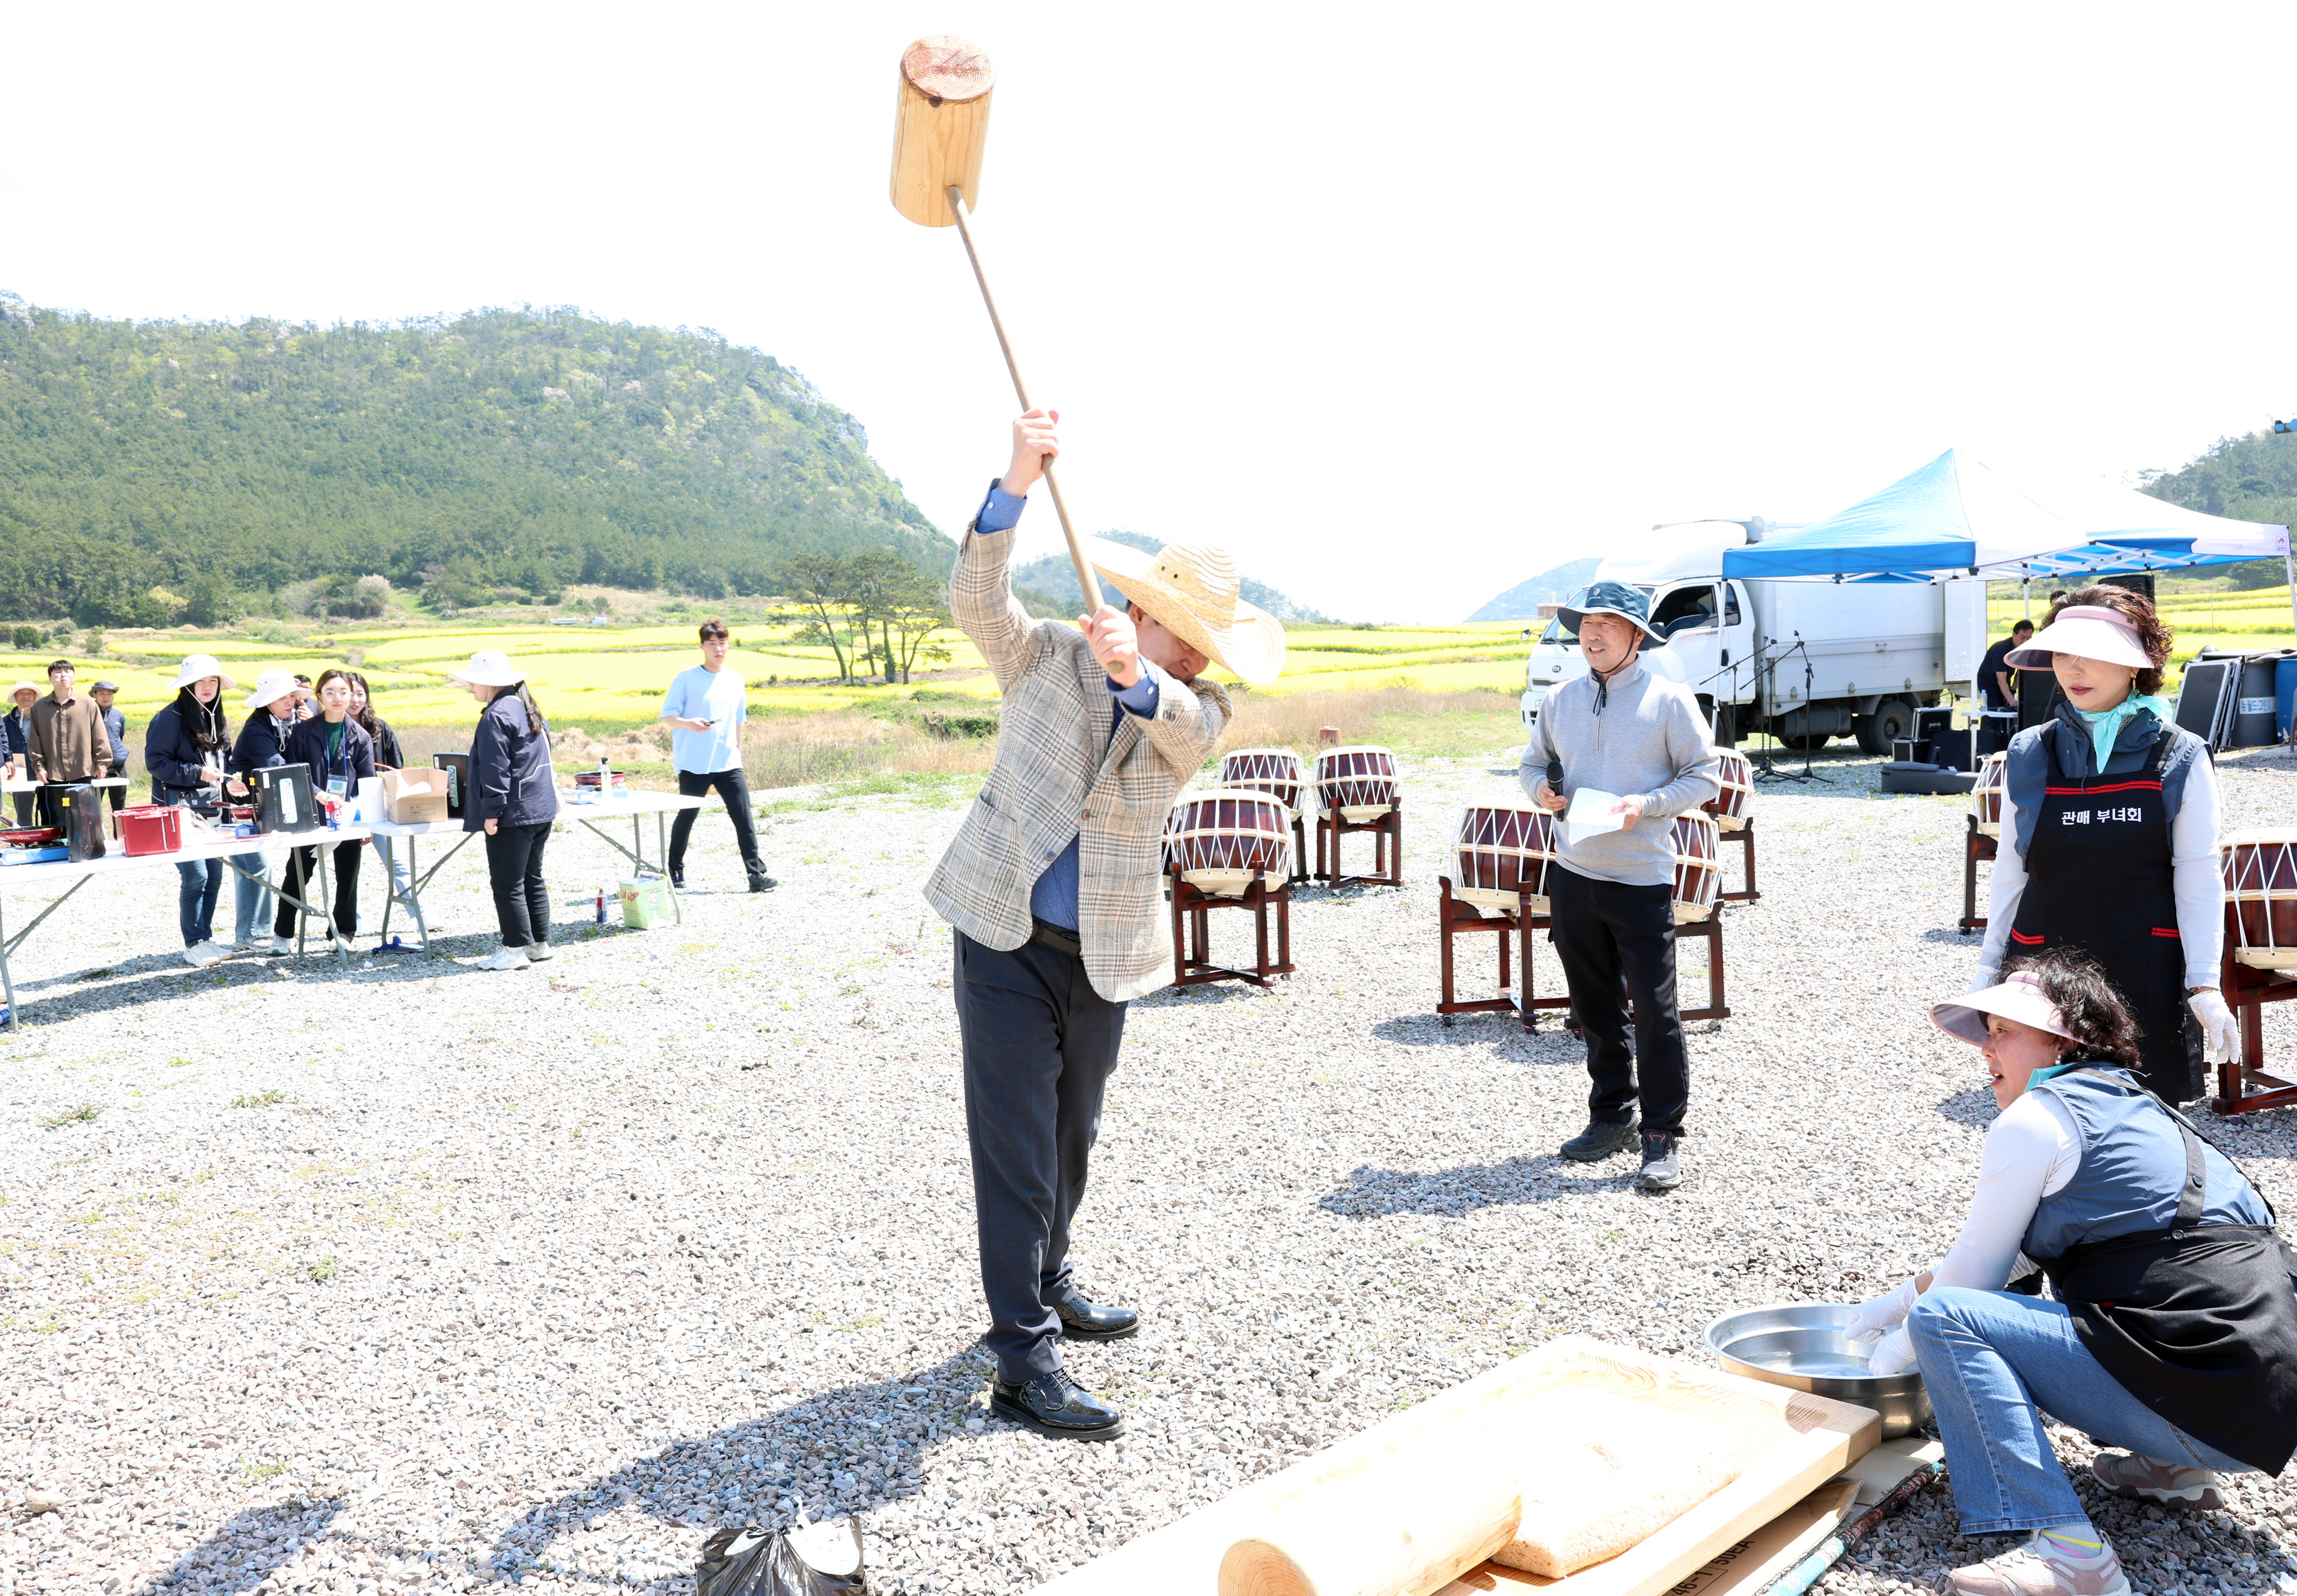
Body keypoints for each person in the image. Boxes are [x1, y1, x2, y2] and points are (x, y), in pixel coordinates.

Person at [923, 407, 1285, 1441]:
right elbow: (973, 599)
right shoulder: (1041, 655)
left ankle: (1053, 1275)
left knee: (1072, 1136)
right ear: (1143, 606)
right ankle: (1022, 1359)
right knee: (1017, 1151)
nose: (1208, 663)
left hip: (1105, 951)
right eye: (1196, 640)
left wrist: (1140, 674)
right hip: (1001, 932)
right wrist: (1014, 485)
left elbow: (1170, 724)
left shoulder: (1200, 709)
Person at [1847, 951, 2295, 1596]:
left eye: (2005, 1032)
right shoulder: (2138, 1108)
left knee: (1945, 1319)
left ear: (2062, 1041)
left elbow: (1968, 1286)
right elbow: (2012, 1260)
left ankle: (2068, 1549)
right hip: (2266, 1403)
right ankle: (2170, 1469)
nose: (1986, 1050)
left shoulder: (2035, 1118)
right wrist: (1884, 1305)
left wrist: (1878, 1364)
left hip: (2207, 1404)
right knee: (2067, 1305)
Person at [1977, 586, 2237, 1103]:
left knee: (2140, 1123)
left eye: (2093, 654)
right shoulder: (2030, 750)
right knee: (2045, 1115)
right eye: (2062, 652)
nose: (2073, 669)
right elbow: (2012, 869)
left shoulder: (2180, 756)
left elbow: (2198, 872)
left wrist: (2205, 985)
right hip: (2041, 969)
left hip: (2141, 967)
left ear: (2137, 664)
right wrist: (1987, 971)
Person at [1521, 581, 1721, 1193]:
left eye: (1609, 623)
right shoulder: (1559, 699)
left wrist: (1651, 804)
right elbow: (1531, 764)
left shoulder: (1668, 701)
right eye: (1586, 623)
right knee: (1594, 1009)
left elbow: (1705, 778)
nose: (1592, 633)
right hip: (1574, 875)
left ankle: (1662, 1134)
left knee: (1657, 1013)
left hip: (1640, 879)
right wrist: (1540, 792)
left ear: (1637, 635)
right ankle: (1611, 1115)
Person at [451, 651, 558, 970]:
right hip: (541, 808)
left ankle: (513, 950)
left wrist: (492, 813)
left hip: (513, 813)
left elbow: (496, 770)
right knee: (531, 877)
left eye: (473, 681)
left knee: (507, 882)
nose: (470, 686)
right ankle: (539, 945)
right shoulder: (526, 707)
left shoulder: (496, 714)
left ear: (487, 682)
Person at [144, 655, 247, 967]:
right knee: (195, 876)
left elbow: (218, 763)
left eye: (213, 681)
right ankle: (193, 944)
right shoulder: (169, 718)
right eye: (201, 682)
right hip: (177, 810)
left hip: (209, 810)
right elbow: (157, 763)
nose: (208, 687)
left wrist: (229, 783)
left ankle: (205, 938)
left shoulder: (213, 716)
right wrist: (197, 774)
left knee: (214, 875)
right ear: (187, 685)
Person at [659, 619, 773, 893]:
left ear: (728, 644)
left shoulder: (736, 680)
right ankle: (674, 870)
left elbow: (740, 718)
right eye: (712, 643)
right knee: (687, 818)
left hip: (728, 763)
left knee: (744, 818)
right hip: (694, 765)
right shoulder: (686, 679)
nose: (718, 648)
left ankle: (756, 874)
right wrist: (690, 724)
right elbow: (667, 717)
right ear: (702, 646)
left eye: (722, 642)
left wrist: (738, 750)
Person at [272, 672, 373, 954]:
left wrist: (366, 822)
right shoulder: (304, 732)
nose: (338, 698)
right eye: (330, 692)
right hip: (310, 814)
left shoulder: (361, 736)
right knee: (297, 873)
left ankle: (342, 933)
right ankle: (283, 934)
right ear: (319, 697)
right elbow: (293, 772)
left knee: (348, 874)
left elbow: (367, 782)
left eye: (344, 692)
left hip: (347, 817)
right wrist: (320, 793)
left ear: (352, 696)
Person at [229, 670, 308, 949]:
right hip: (244, 807)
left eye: (292, 696)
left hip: (269, 804)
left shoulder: (284, 721)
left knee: (259, 866)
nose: (291, 701)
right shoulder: (256, 729)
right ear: (267, 701)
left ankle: (256, 930)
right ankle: (251, 933)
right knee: (255, 866)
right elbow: (278, 768)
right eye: (283, 697)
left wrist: (304, 729)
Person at [345, 670, 414, 939]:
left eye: (360, 694)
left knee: (396, 861)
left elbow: (396, 767)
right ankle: (354, 919)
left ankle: (417, 909)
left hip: (381, 805)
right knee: (349, 867)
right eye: (349, 693)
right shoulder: (328, 730)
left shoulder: (379, 728)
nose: (355, 700)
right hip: (346, 807)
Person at [26, 659, 112, 827]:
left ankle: (86, 852)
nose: (63, 675)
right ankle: (58, 852)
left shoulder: (88, 705)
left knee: (84, 819)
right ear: (50, 678)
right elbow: (34, 741)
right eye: (58, 672)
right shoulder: (40, 707)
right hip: (52, 774)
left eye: (67, 671)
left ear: (74, 677)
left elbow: (100, 736)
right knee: (56, 820)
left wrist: (102, 764)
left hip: (83, 771)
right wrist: (39, 767)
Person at [91, 680, 130, 814]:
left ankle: (119, 835)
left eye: (109, 694)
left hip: (118, 766)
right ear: (95, 695)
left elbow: (120, 736)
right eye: (102, 694)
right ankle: (96, 835)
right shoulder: (88, 714)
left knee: (120, 807)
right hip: (96, 767)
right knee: (93, 807)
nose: (106, 697)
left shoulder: (118, 716)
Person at [3, 681, 37, 827]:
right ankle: (28, 844)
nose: (25, 697)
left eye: (29, 693)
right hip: (19, 773)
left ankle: (52, 845)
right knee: (23, 814)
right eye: (21, 693)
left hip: (43, 770)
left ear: (35, 697)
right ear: (15, 697)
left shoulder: (43, 719)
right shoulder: (6, 722)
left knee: (51, 810)